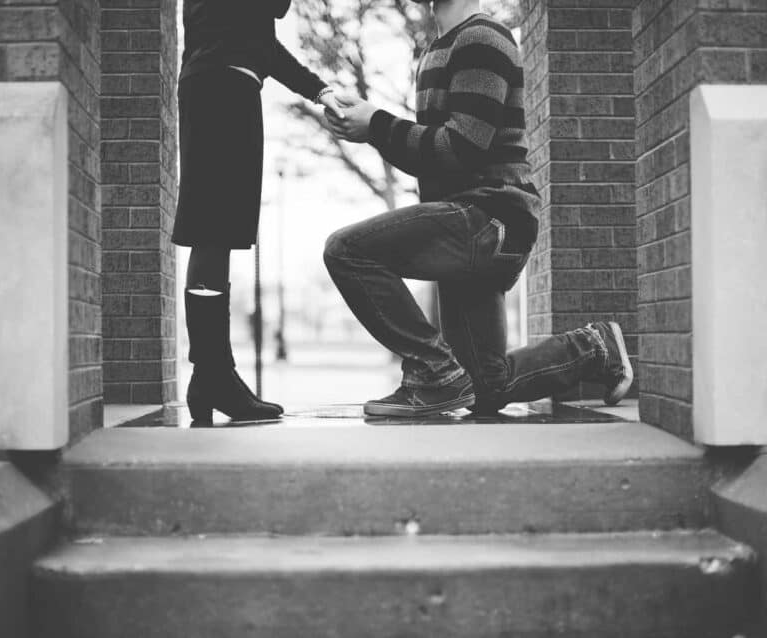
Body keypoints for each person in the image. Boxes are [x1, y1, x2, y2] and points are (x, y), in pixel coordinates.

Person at [323, 0, 633, 417]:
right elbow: (434, 154)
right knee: (483, 386)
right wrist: (369, 130)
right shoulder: (439, 48)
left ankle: (432, 372)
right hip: (472, 220)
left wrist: (376, 124)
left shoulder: (481, 38)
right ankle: (594, 346)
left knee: (348, 250)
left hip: (491, 217)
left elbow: (463, 147)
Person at [172, 0, 345, 424]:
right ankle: (213, 375)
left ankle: (211, 375)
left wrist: (320, 90)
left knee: (215, 234)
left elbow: (259, 42)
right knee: (213, 233)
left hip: (219, 86)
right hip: (223, 90)